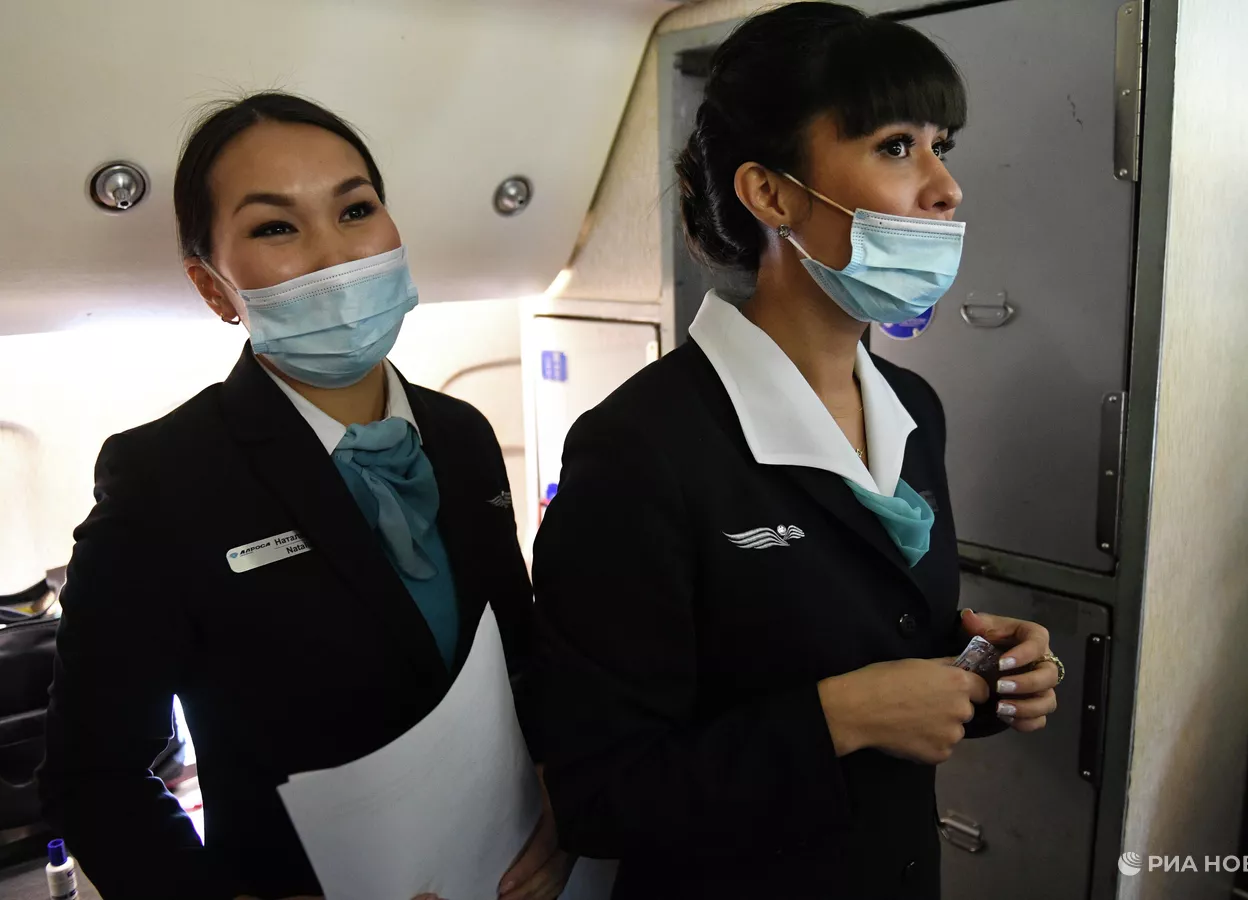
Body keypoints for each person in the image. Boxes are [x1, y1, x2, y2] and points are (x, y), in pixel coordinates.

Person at [526, 5, 1063, 898]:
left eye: (944, 145)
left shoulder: (913, 411)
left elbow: (888, 648)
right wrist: (834, 720)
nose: (944, 187)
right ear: (772, 195)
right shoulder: (639, 450)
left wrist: (986, 677)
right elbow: (601, 795)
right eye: (896, 147)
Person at [38, 92, 572, 900]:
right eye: (275, 227)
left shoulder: (462, 436)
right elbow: (92, 775)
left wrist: (564, 805)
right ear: (214, 288)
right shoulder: (164, 481)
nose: (335, 256)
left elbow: (525, 668)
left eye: (356, 209)